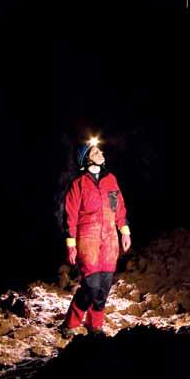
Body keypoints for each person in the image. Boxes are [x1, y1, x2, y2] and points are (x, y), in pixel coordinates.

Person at [60, 137, 131, 337]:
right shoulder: (78, 184)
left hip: (110, 239)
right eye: (95, 152)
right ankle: (70, 323)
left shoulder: (111, 180)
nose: (101, 154)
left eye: (100, 151)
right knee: (91, 286)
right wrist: (71, 244)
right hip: (87, 239)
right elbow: (70, 215)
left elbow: (119, 208)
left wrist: (124, 231)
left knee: (105, 287)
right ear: (87, 160)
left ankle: (95, 325)